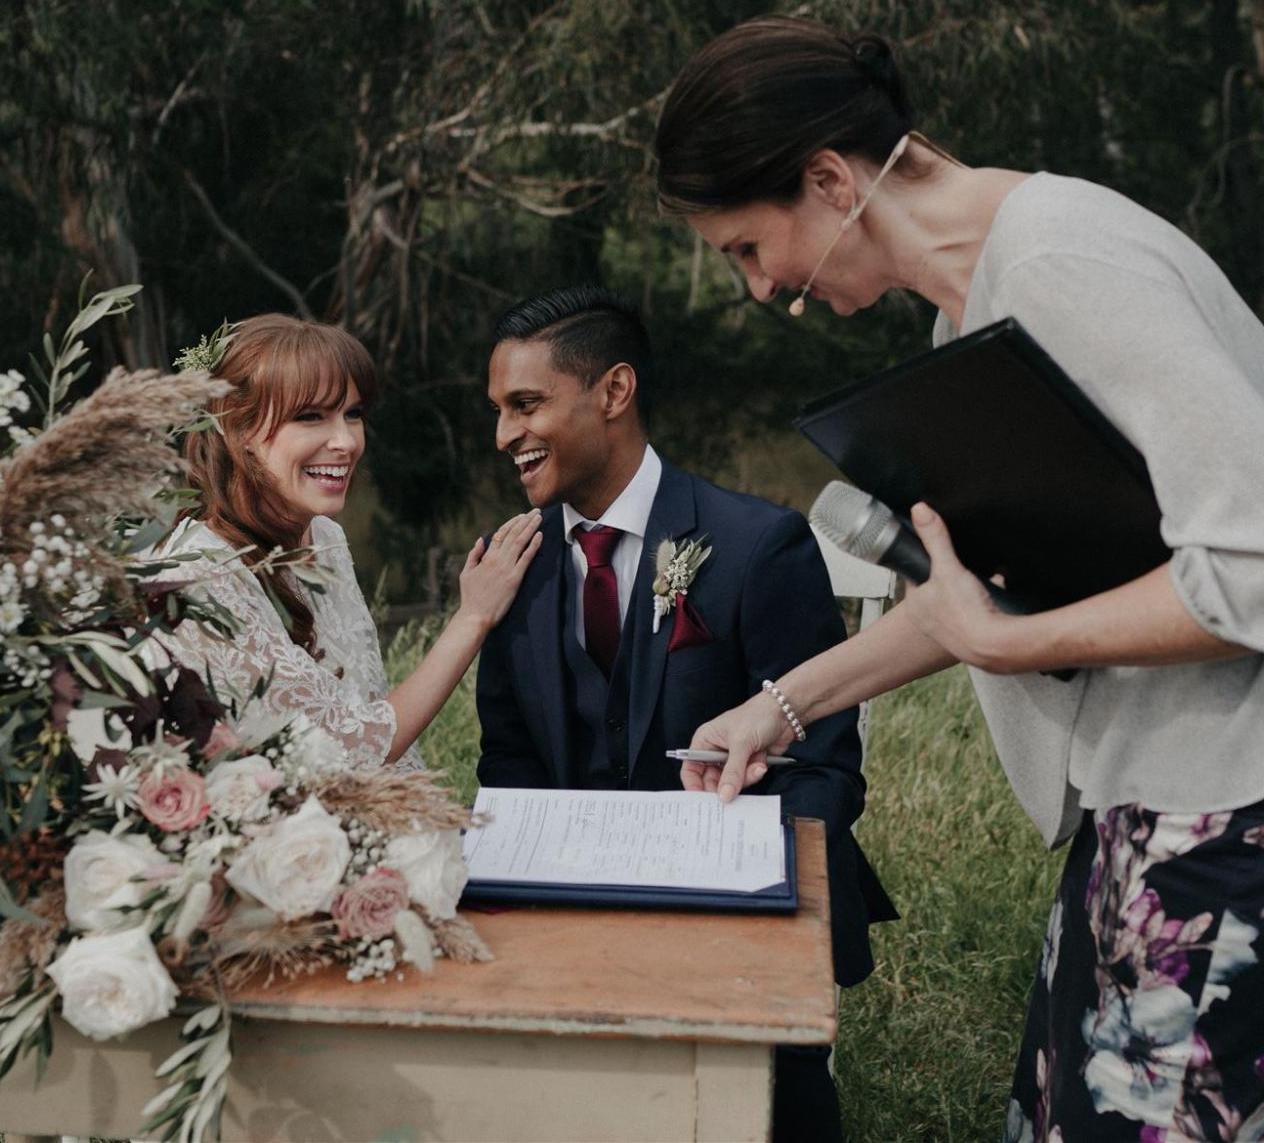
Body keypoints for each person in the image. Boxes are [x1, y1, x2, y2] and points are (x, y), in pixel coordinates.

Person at [656, 16, 1264, 1140]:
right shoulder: (967, 306)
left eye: (745, 247)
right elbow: (993, 592)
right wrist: (780, 706)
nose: (758, 289)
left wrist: (1006, 642)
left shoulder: (1064, 262)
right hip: (1167, 786)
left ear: (828, 181)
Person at [475, 285, 895, 1143]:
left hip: (742, 936)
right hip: (572, 947)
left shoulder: (755, 545)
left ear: (614, 392)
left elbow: (824, 770)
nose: (504, 435)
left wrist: (744, 922)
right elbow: (508, 767)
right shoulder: (510, 568)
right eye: (498, 411)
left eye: (526, 405)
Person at [152, 314, 541, 767]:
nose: (345, 441)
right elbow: (352, 748)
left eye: (353, 414)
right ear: (238, 430)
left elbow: (365, 704)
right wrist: (472, 617)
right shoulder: (201, 576)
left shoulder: (323, 538)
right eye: (310, 416)